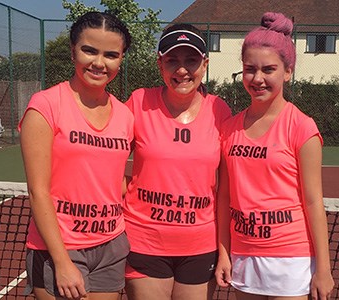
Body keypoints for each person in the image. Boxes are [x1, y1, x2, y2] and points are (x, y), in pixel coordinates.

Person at [214, 12, 335, 300]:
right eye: (249, 69)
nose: (258, 79)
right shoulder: (229, 128)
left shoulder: (302, 127)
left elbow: (313, 201)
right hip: (244, 256)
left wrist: (324, 268)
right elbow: (225, 196)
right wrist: (224, 252)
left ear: (288, 71)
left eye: (269, 69)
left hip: (291, 259)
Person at [19, 11, 134, 300]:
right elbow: (38, 191)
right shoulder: (45, 106)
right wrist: (62, 261)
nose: (99, 63)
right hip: (59, 248)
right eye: (89, 50)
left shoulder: (125, 115)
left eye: (110, 54)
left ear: (121, 59)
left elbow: (114, 180)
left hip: (111, 245)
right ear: (73, 52)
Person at [122, 23, 232, 300]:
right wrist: (126, 191)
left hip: (200, 245)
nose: (182, 70)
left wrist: (224, 250)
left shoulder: (220, 110)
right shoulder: (138, 102)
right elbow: (107, 159)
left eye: (191, 60)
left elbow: (227, 190)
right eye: (172, 60)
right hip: (144, 241)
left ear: (204, 64)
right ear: (160, 64)